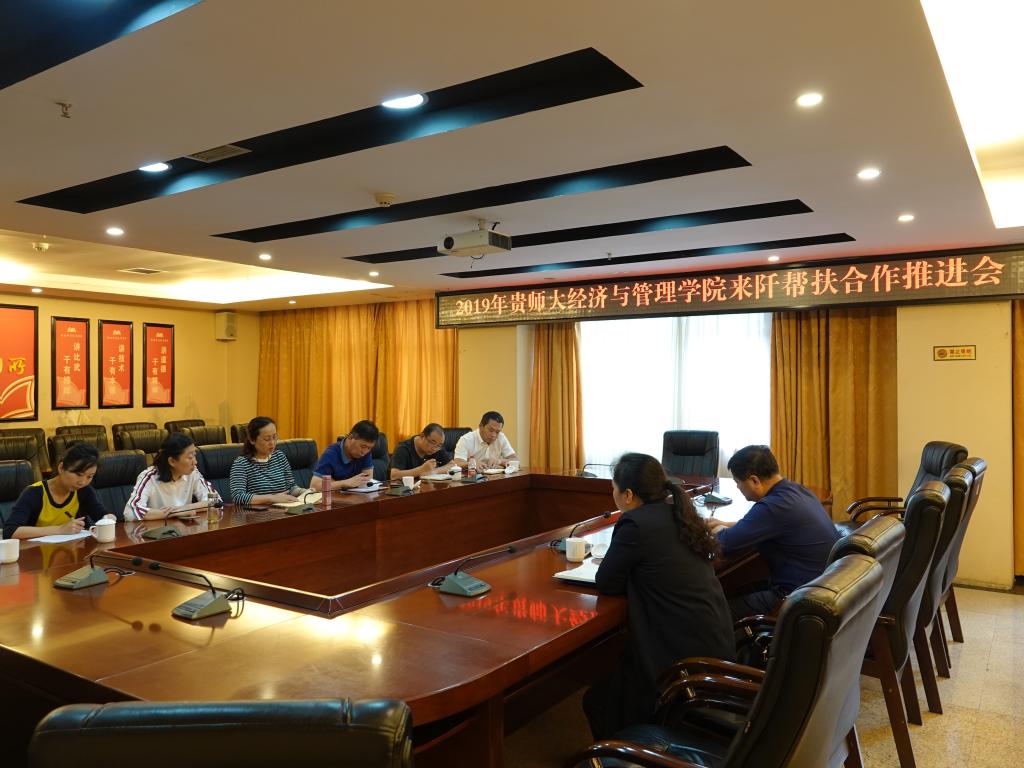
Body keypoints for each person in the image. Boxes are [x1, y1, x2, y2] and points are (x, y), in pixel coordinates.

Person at [583, 452, 734, 740]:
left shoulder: (635, 523)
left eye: (613, 488)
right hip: (713, 647)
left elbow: (607, 582)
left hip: (676, 661)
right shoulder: (679, 513)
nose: (613, 494)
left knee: (597, 701)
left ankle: (622, 754)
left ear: (628, 495)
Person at [707, 444, 840, 621]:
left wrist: (715, 529)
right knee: (736, 589)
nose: (738, 488)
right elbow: (769, 524)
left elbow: (725, 543)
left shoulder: (772, 507)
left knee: (713, 614)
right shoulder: (796, 490)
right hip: (823, 585)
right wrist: (727, 524)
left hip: (797, 599)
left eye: (738, 482)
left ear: (754, 481)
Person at [3, 442, 115, 539]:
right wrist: (60, 530)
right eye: (78, 474)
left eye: (89, 476)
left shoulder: (84, 491)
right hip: (37, 552)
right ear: (61, 468)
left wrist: (109, 519)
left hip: (74, 551)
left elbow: (101, 515)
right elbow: (10, 531)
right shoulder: (34, 493)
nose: (83, 482)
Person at [123, 432, 216, 520]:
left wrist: (186, 508)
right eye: (190, 457)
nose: (195, 462)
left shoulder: (193, 472)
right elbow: (130, 512)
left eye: (194, 456)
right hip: (159, 529)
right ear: (172, 461)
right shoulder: (149, 476)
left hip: (185, 528)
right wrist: (172, 513)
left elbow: (214, 501)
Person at [229, 416, 300, 506]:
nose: (272, 443)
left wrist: (306, 492)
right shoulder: (241, 464)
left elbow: (291, 487)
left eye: (274, 437)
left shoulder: (279, 456)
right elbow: (238, 497)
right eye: (267, 439)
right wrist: (272, 498)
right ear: (252, 440)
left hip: (283, 510)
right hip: (257, 513)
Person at [311, 420, 378, 491]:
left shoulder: (365, 453)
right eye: (363, 446)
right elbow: (315, 486)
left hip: (355, 496)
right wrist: (345, 483)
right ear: (351, 437)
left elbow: (367, 481)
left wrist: (334, 483)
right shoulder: (331, 454)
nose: (364, 452)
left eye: (369, 448)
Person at [390, 423, 456, 479]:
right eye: (432, 443)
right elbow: (394, 475)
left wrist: (434, 471)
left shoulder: (437, 447)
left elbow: (452, 465)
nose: (434, 449)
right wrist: (421, 470)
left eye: (439, 445)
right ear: (422, 436)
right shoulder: (403, 448)